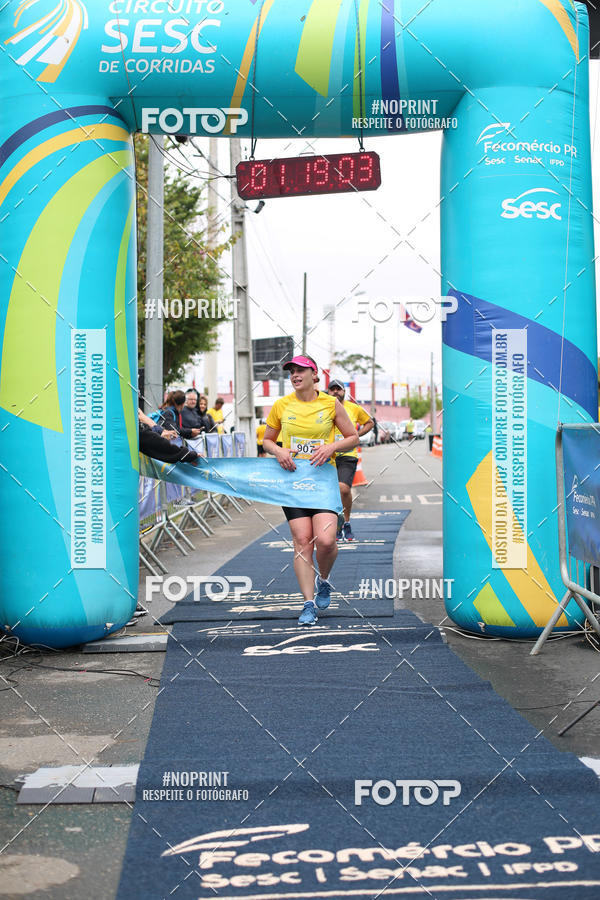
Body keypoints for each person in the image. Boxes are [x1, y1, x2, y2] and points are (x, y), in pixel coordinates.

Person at [262, 355, 358, 626]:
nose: (295, 375)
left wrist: (331, 447)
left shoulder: (331, 404)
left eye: (300, 370)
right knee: (302, 541)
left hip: (322, 480)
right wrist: (279, 450)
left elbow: (353, 437)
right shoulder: (281, 405)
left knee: (326, 540)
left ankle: (324, 580)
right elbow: (267, 441)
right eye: (291, 371)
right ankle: (308, 603)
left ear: (314, 375)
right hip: (293, 481)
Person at [327, 379, 373, 541]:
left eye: (338, 389)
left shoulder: (353, 408)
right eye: (332, 390)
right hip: (326, 456)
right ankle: (336, 523)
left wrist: (356, 436)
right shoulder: (323, 407)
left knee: (343, 489)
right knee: (330, 493)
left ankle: (346, 521)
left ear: (344, 391)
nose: (335, 392)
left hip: (347, 455)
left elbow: (369, 422)